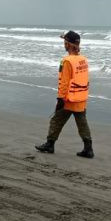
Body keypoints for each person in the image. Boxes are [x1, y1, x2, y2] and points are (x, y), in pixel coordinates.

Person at [35, 30, 94, 158]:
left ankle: (50, 144)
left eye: (65, 42)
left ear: (68, 44)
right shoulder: (83, 59)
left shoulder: (67, 61)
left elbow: (64, 82)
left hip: (69, 99)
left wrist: (60, 99)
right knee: (82, 122)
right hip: (81, 98)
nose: (64, 44)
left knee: (56, 120)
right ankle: (88, 148)